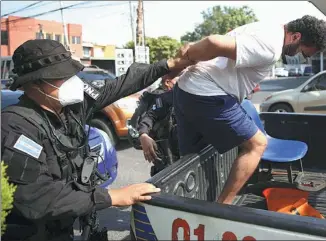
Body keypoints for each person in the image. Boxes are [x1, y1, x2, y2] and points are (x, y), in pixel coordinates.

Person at [1, 39, 192, 241]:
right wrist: (113, 197)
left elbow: (121, 84)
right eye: (61, 76)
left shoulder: (70, 107)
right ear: (34, 83)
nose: (72, 81)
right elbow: (36, 196)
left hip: (68, 223)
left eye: (71, 74)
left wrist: (170, 64)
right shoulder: (14, 126)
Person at [171, 15, 326, 205]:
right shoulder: (271, 46)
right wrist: (174, 65)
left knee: (191, 158)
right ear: (295, 37)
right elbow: (213, 42)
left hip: (186, 89)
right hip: (207, 95)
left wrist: (175, 71)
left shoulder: (268, 26)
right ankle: (222, 207)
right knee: (257, 145)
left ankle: (185, 207)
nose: (299, 57)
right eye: (304, 53)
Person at [137, 75, 180, 176]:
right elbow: (150, 116)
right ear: (168, 82)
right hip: (168, 156)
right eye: (179, 75)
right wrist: (143, 134)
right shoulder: (165, 98)